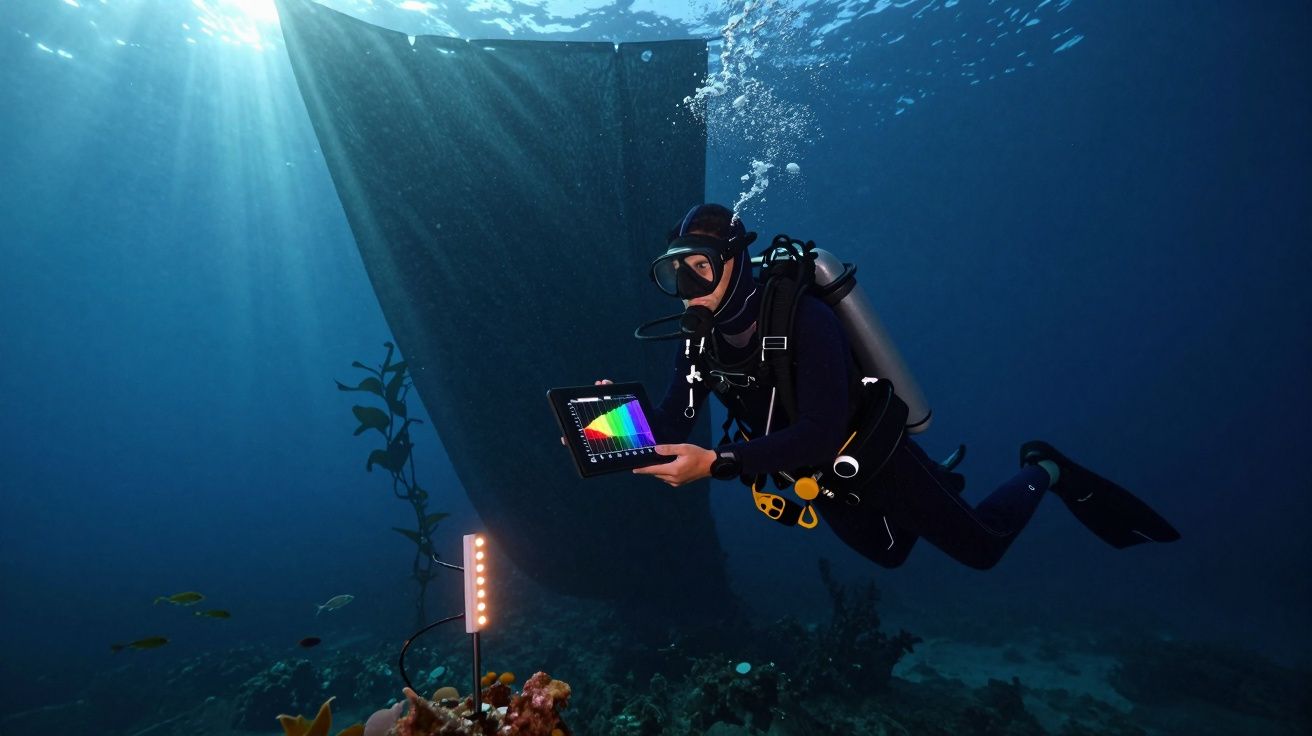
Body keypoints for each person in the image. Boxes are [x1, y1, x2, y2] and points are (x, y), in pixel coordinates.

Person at [615, 203, 1179, 570]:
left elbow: (819, 432)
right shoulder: (698, 340)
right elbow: (675, 420)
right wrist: (617, 420)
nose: (688, 289)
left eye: (700, 269)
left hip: (871, 455)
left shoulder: (802, 318)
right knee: (889, 552)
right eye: (674, 274)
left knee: (982, 547)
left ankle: (1044, 466)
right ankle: (941, 483)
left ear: (736, 264)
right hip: (815, 478)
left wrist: (716, 463)